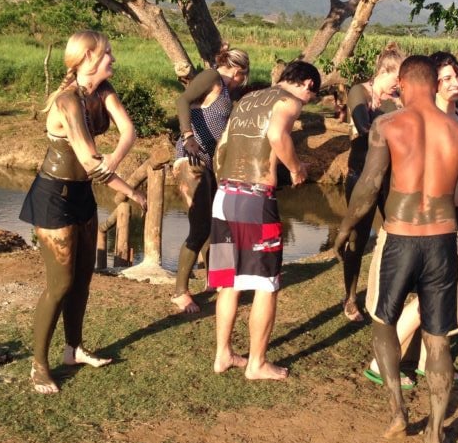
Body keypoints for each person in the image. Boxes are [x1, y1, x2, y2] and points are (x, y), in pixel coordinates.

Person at [334, 55, 458, 443]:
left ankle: (398, 412)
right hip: (441, 240)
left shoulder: (388, 125)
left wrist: (348, 227)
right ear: (433, 84)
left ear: (403, 83)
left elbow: (368, 187)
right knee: (438, 341)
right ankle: (436, 433)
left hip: (400, 237)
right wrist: (457, 222)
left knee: (383, 320)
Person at [20, 31, 147, 395]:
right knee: (60, 284)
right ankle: (38, 366)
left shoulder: (102, 92)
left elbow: (129, 131)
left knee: (83, 280)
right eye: (107, 53)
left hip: (81, 196)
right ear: (88, 56)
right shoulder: (67, 102)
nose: (113, 59)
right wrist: (132, 192)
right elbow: (91, 162)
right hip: (53, 197)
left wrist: (116, 160)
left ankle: (73, 350)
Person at [208, 60, 322, 381]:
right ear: (306, 85)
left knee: (229, 281)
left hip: (225, 194)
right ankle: (257, 363)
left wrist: (224, 186)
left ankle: (223, 354)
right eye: (311, 95)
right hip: (255, 199)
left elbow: (223, 146)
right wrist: (296, 167)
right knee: (266, 284)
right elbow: (276, 134)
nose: (307, 102)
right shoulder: (289, 101)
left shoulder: (247, 99)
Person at [171, 45, 250, 314]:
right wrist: (188, 136)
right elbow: (182, 101)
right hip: (191, 159)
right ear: (238, 71)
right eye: (244, 77)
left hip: (209, 164)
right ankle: (180, 291)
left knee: (216, 222)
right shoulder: (211, 77)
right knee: (200, 226)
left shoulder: (227, 91)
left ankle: (213, 280)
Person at [341, 43, 403, 322]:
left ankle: (387, 294)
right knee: (358, 236)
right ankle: (351, 298)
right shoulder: (359, 92)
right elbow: (362, 122)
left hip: (389, 177)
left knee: (395, 234)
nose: (398, 86)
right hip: (360, 176)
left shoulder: (395, 100)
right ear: (383, 71)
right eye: (396, 80)